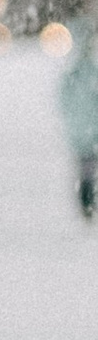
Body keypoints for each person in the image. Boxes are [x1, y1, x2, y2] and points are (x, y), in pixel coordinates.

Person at [58, 22, 98, 220]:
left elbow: (64, 100)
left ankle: (87, 202)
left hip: (82, 131)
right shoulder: (89, 72)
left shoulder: (73, 73)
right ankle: (88, 202)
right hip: (90, 130)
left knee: (86, 169)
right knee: (89, 168)